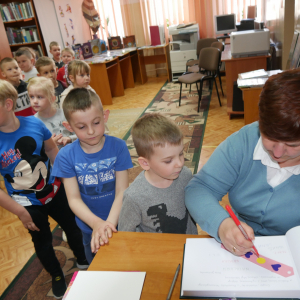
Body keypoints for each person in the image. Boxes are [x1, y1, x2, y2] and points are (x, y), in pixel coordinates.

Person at [185, 69, 300, 257]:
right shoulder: (244, 141)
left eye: (292, 144)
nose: (278, 153)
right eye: (269, 137)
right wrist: (222, 224)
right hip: (240, 256)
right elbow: (199, 189)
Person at [0, 80, 88, 299]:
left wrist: (66, 183)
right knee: (42, 241)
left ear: (8, 104)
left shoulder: (34, 124)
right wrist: (20, 213)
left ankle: (82, 257)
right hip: (27, 204)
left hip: (54, 189)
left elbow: (51, 150)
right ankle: (57, 275)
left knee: (72, 225)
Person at [51, 88, 133, 263]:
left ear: (105, 116)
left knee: (125, 263)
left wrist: (108, 225)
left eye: (96, 123)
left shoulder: (118, 147)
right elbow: (73, 199)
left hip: (120, 222)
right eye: (81, 127)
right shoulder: (66, 156)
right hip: (89, 227)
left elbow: (122, 191)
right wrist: (96, 224)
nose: (90, 131)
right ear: (68, 127)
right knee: (97, 266)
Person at [118, 113, 197, 234]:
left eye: (181, 154)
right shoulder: (133, 196)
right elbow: (126, 234)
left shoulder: (185, 175)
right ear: (145, 163)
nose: (180, 163)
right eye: (168, 160)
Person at [28, 76, 76, 149]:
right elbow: (34, 147)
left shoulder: (65, 114)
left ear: (52, 98)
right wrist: (49, 144)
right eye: (32, 97)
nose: (35, 101)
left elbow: (80, 134)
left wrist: (69, 138)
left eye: (39, 97)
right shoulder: (33, 122)